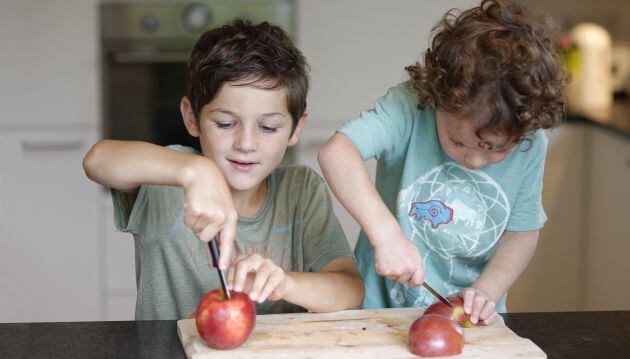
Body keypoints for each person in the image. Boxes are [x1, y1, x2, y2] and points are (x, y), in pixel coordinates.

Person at [83, 20, 364, 319]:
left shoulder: (301, 190)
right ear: (191, 117)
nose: (246, 143)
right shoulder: (167, 183)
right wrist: (193, 171)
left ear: (296, 128)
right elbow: (97, 160)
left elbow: (350, 290)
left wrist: (285, 283)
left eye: (268, 127)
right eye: (226, 124)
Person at [318, 0, 568, 325]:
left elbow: (521, 233)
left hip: (470, 320)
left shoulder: (532, 143)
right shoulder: (411, 106)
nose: (476, 160)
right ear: (436, 98)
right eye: (458, 141)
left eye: (496, 149)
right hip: (380, 312)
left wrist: (487, 290)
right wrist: (386, 234)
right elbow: (337, 153)